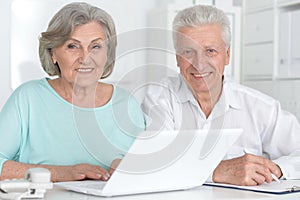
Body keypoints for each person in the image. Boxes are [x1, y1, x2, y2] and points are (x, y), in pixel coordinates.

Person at [141, 5, 300, 186]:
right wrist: (217, 171)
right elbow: (155, 164)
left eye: (210, 51)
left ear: (227, 55)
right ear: (177, 58)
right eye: (188, 52)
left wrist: (275, 170)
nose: (199, 64)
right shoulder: (159, 99)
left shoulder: (260, 107)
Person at [0, 2, 144, 182]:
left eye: (96, 47)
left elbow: (147, 169)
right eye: (72, 46)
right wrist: (63, 173)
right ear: (53, 54)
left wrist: (127, 169)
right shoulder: (27, 99)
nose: (85, 58)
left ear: (107, 53)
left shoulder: (127, 103)